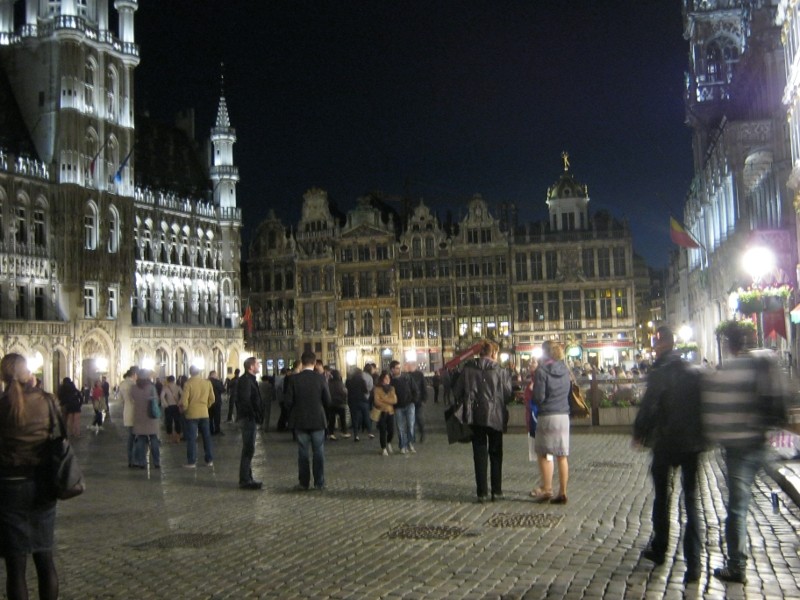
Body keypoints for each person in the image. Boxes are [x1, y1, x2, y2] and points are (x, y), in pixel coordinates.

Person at [703, 321, 788, 585]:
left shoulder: (726, 372)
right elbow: (782, 396)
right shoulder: (763, 362)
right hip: (761, 442)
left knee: (737, 509)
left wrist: (717, 437)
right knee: (754, 498)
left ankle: (737, 565)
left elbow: (714, 412)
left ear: (728, 345)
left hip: (738, 449)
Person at [632, 326, 704, 583]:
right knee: (691, 500)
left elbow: (649, 405)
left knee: (662, 496)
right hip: (691, 443)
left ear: (662, 344)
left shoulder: (659, 373)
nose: (654, 348)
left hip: (665, 441)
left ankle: (660, 546)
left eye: (656, 343)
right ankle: (694, 563)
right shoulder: (693, 371)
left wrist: (639, 432)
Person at [0, 353, 60, 600]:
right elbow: (60, 437)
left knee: (15, 566)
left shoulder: (2, 405)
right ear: (29, 374)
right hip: (43, 484)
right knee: (45, 558)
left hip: (9, 486)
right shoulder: (46, 401)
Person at [454, 341, 512, 502]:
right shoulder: (500, 371)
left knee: (479, 454)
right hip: (495, 415)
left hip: (475, 415)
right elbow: (508, 394)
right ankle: (497, 491)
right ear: (493, 353)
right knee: (496, 453)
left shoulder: (468, 369)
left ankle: (482, 492)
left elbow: (457, 391)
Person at [284, 351, 331, 490]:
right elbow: (328, 401)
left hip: (300, 420)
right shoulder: (321, 379)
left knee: (303, 452)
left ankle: (304, 482)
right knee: (319, 452)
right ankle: (319, 482)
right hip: (318, 420)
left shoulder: (294, 379)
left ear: (302, 362)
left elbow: (287, 402)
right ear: (314, 363)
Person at [531, 340, 571, 504]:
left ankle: (547, 488)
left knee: (544, 453)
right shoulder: (565, 369)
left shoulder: (542, 371)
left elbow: (539, 397)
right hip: (563, 416)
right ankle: (563, 492)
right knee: (562, 455)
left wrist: (533, 391)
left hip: (547, 415)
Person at [236, 357, 264, 490]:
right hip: (248, 418)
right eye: (257, 364)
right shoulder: (246, 380)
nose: (259, 366)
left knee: (249, 448)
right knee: (248, 448)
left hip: (249, 418)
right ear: (251, 367)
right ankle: (245, 480)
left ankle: (248, 477)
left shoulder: (249, 379)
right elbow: (246, 400)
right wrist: (253, 414)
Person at [181, 365, 215, 468]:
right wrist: (206, 406)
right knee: (206, 437)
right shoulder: (207, 383)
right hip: (204, 413)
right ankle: (209, 460)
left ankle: (191, 461)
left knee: (192, 438)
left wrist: (185, 409)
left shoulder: (188, 384)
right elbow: (212, 398)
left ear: (190, 372)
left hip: (191, 414)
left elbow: (184, 401)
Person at [131, 370, 161, 469]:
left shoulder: (134, 388)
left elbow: (132, 399)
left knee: (140, 439)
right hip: (151, 416)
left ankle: (141, 462)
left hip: (139, 417)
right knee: (154, 439)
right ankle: (156, 462)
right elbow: (156, 400)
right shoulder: (151, 387)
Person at [390, 360, 416, 454]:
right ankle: (402, 445)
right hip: (398, 407)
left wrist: (414, 400)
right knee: (400, 428)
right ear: (392, 369)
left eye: (399, 367)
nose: (399, 369)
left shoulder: (407, 377)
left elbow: (414, 388)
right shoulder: (390, 381)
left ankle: (410, 443)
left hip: (409, 404)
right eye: (397, 368)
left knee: (411, 425)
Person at [373, 370, 397, 456]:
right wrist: (388, 401)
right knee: (382, 431)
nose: (388, 380)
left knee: (391, 430)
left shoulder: (392, 388)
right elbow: (377, 402)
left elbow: (394, 400)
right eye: (386, 378)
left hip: (390, 412)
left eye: (389, 378)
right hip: (381, 412)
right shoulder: (377, 389)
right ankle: (383, 448)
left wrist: (383, 399)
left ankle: (389, 442)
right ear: (382, 379)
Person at [119, 367, 138, 466]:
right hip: (134, 412)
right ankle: (135, 459)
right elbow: (136, 400)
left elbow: (120, 400)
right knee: (136, 437)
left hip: (126, 411)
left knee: (130, 437)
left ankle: (130, 459)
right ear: (134, 374)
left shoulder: (122, 384)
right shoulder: (133, 385)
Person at [345, 366, 370, 442]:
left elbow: (346, 389)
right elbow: (365, 390)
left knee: (354, 418)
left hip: (352, 401)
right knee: (366, 416)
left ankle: (356, 435)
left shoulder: (348, 381)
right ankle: (369, 432)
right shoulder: (362, 380)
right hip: (362, 400)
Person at [326, 369, 349, 440]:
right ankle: (344, 432)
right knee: (342, 419)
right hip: (340, 403)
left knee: (332, 419)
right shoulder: (340, 383)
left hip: (331, 403)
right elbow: (344, 392)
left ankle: (331, 433)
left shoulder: (329, 383)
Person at [160, 375, 182, 444]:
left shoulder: (165, 388)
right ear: (174, 380)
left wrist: (165, 404)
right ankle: (178, 437)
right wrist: (179, 402)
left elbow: (162, 397)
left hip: (168, 407)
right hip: (176, 406)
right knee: (177, 421)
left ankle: (170, 438)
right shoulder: (178, 387)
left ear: (168, 380)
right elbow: (183, 395)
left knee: (169, 422)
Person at [408, 363, 426, 442]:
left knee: (419, 418)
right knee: (410, 420)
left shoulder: (419, 374)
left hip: (418, 401)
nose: (409, 367)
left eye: (410, 365)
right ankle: (412, 437)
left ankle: (422, 432)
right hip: (409, 401)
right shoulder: (406, 375)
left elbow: (424, 387)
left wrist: (424, 399)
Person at [208, 370, 225, 436]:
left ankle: (211, 430)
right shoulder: (217, 382)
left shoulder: (206, 382)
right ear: (214, 375)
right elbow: (223, 390)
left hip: (209, 401)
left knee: (210, 417)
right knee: (217, 417)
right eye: (216, 374)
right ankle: (217, 430)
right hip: (217, 401)